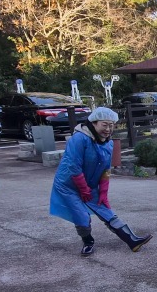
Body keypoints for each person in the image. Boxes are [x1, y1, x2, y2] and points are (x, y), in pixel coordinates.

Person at [49, 107, 151, 255]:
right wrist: (83, 189)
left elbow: (106, 169)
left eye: (111, 125)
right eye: (104, 125)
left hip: (89, 184)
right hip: (69, 185)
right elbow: (73, 166)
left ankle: (132, 240)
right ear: (94, 123)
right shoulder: (79, 139)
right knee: (81, 215)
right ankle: (88, 242)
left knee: (105, 210)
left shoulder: (108, 143)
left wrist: (103, 192)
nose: (108, 129)